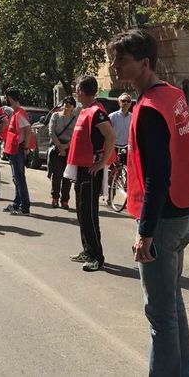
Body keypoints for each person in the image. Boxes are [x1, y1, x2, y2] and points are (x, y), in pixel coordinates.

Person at [108, 28, 189, 377]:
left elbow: (157, 175)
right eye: (113, 59)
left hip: (165, 219)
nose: (114, 66)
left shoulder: (151, 109)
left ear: (144, 62)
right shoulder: (172, 95)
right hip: (186, 213)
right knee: (172, 304)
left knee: (159, 314)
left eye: (121, 60)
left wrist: (145, 232)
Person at [66, 75, 116, 272]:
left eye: (76, 88)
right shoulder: (85, 110)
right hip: (81, 168)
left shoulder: (97, 112)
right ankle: (87, 250)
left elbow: (111, 136)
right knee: (81, 211)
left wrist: (102, 162)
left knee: (89, 213)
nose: (75, 91)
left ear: (81, 90)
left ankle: (97, 256)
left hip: (91, 169)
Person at [2, 88, 34, 216]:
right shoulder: (16, 113)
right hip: (13, 150)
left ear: (10, 98)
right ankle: (17, 203)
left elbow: (27, 129)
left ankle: (24, 207)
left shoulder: (19, 113)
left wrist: (26, 147)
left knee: (19, 178)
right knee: (16, 178)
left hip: (18, 150)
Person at [47, 96, 77, 209]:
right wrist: (60, 147)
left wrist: (67, 146)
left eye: (70, 103)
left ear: (73, 106)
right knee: (57, 174)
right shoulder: (55, 116)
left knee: (67, 176)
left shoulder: (75, 119)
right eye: (66, 103)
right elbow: (51, 132)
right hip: (56, 147)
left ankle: (65, 200)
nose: (67, 105)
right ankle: (55, 198)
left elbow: (75, 135)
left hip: (69, 148)